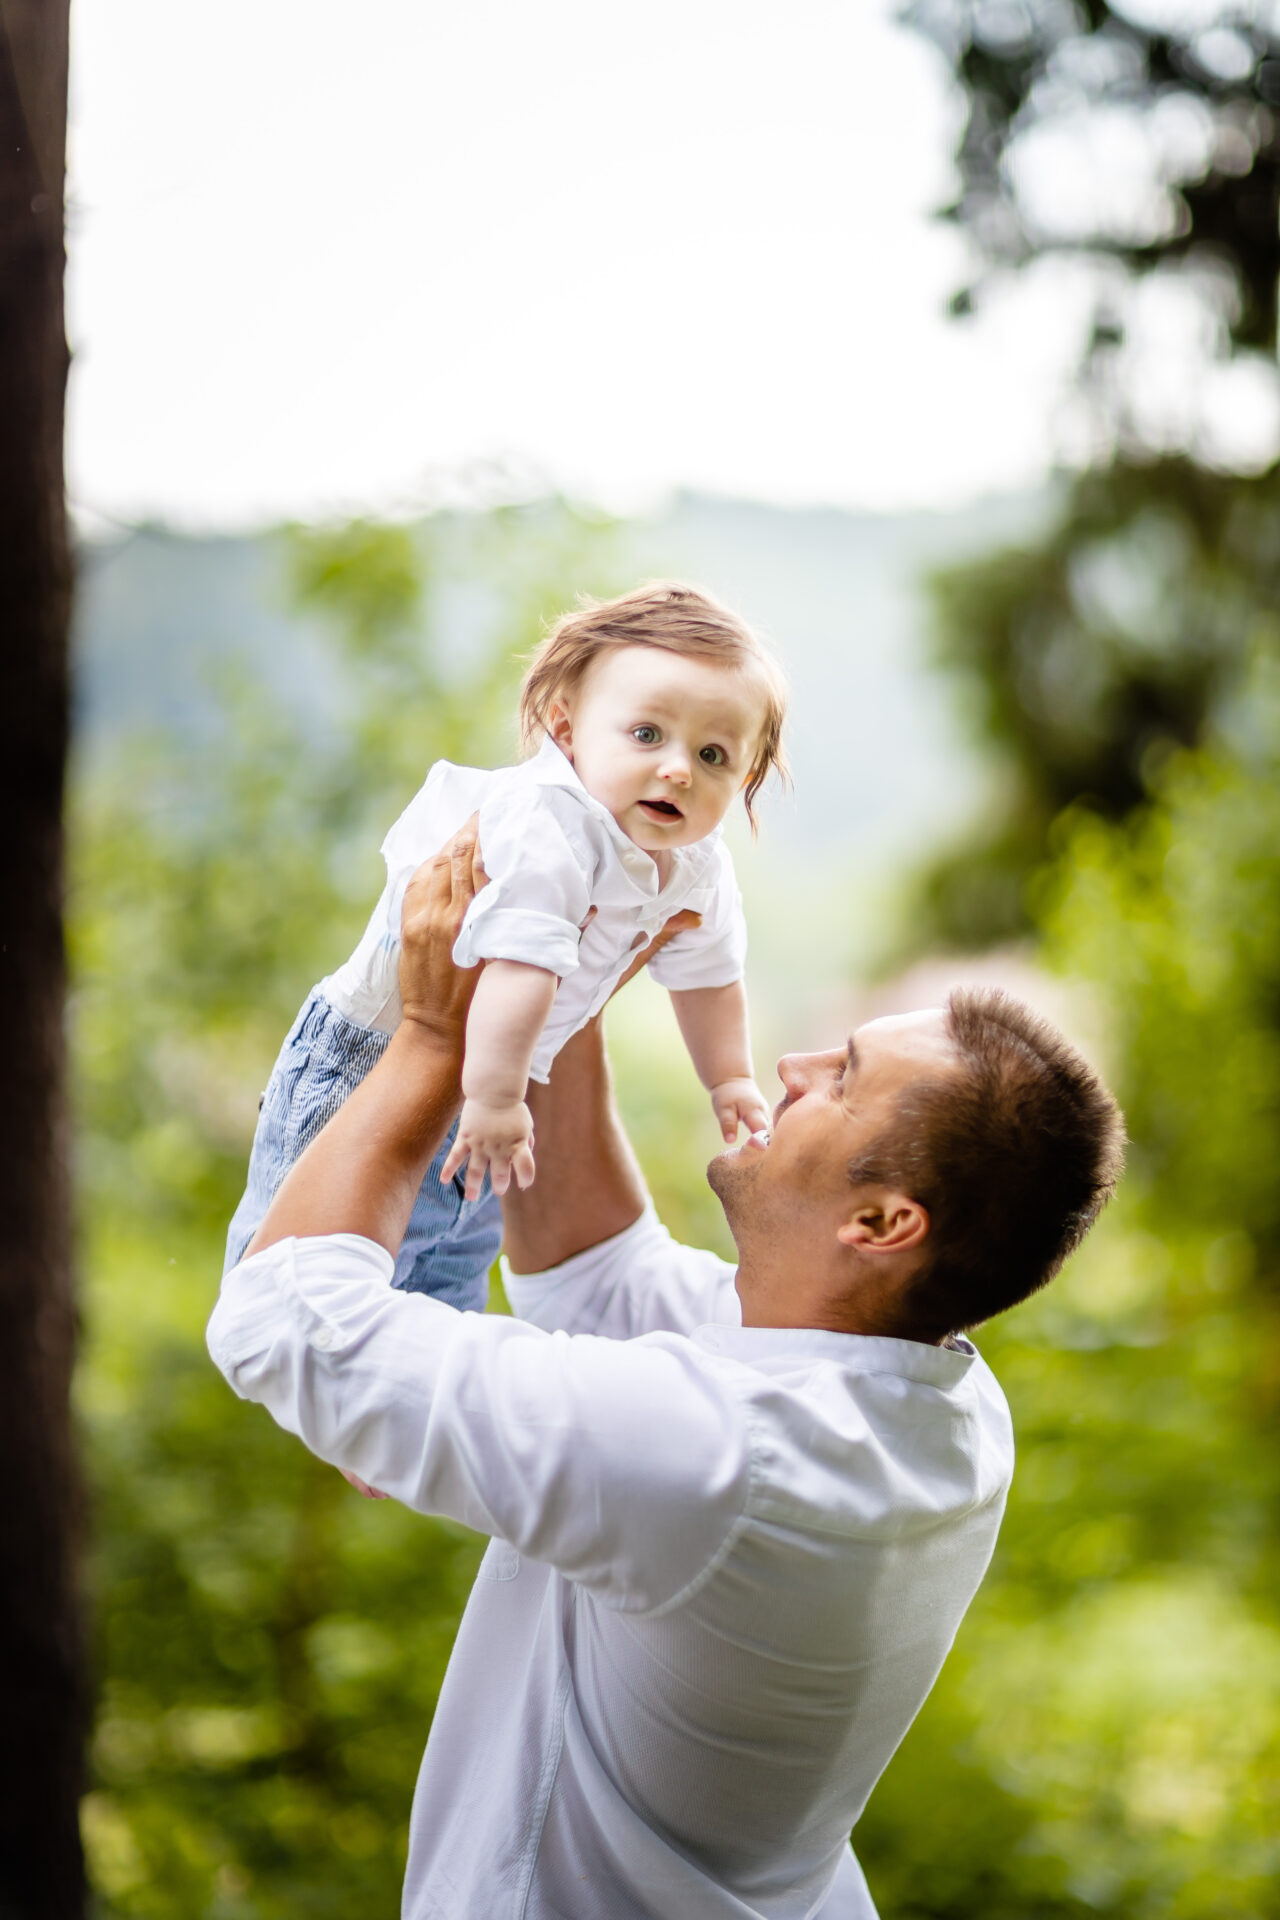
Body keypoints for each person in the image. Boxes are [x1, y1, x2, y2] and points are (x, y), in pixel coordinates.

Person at [207, 826, 1125, 1920]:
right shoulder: (938, 1398)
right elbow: (602, 1277)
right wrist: (569, 969)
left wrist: (427, 1039)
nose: (793, 1066)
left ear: (881, 1222)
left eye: (841, 1079)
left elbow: (282, 1323)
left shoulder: (720, 1460)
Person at [223, 581, 788, 1311]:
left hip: (499, 1081)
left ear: (744, 777)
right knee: (299, 1297)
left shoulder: (697, 861)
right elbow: (520, 970)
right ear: (566, 729)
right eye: (647, 735)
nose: (678, 769)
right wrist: (494, 1098)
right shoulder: (548, 823)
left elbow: (711, 975)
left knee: (441, 1285)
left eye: (713, 755)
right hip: (381, 1063)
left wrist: (730, 1080)